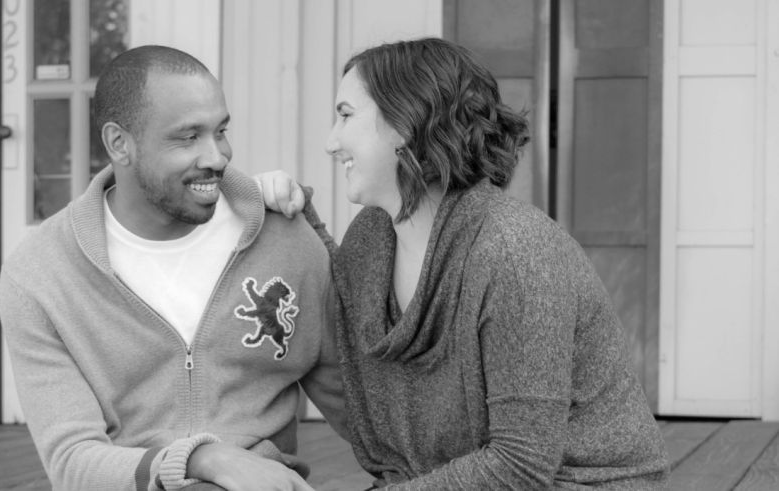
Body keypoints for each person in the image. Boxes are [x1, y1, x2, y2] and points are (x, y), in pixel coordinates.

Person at [258, 37, 670, 489]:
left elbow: (521, 464)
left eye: (345, 115)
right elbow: (341, 317)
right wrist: (286, 218)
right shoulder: (370, 241)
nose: (330, 142)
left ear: (405, 121)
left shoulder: (515, 252)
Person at [0, 45, 345, 491]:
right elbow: (72, 460)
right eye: (188, 137)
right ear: (119, 144)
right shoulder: (41, 275)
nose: (217, 156)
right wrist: (203, 459)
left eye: (221, 131)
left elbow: (360, 409)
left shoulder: (285, 241)